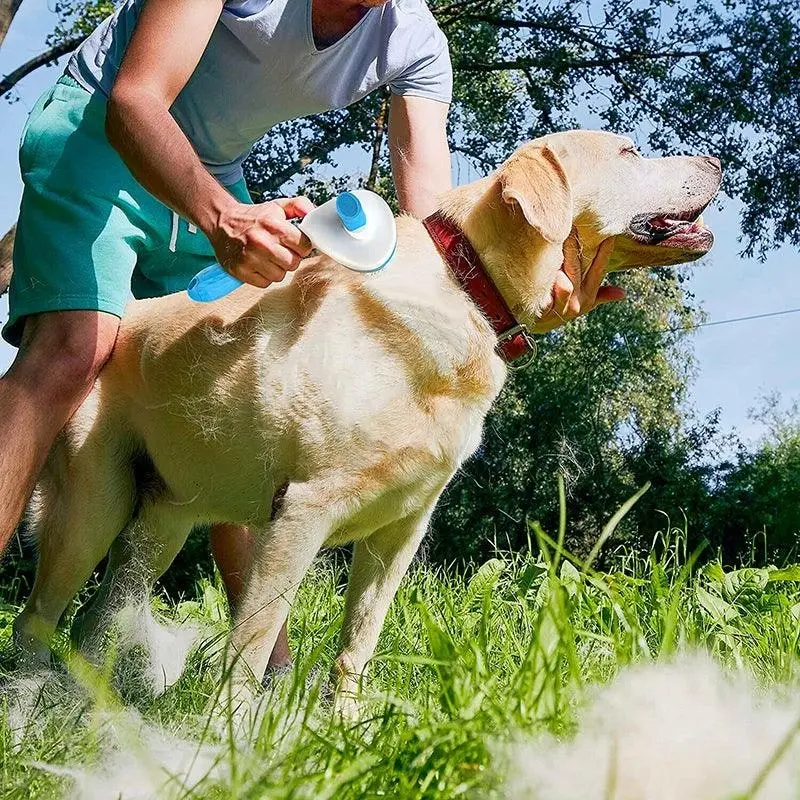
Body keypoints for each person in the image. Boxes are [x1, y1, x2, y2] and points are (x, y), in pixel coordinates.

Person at [0, 0, 623, 667]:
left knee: (239, 389)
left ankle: (272, 686)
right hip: (101, 130)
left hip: (213, 168)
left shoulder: (415, 44)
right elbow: (136, 99)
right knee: (75, 351)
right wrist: (223, 219)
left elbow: (438, 240)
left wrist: (523, 302)